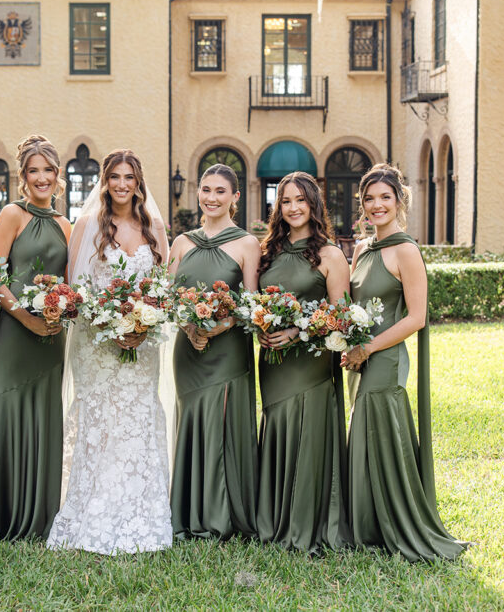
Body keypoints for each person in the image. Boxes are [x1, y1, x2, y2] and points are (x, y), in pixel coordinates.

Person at [46, 149, 173, 555]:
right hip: (97, 345)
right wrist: (109, 325)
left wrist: (141, 325)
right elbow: (75, 289)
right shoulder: (87, 225)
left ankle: (141, 511)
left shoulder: (154, 227)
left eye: (129, 177)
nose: (122, 184)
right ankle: (92, 509)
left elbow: (163, 289)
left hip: (142, 345)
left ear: (138, 182)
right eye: (115, 177)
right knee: (101, 423)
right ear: (105, 181)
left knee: (137, 418)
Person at [340, 163, 468, 562]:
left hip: (384, 358)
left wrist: (368, 349)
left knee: (382, 435)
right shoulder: (361, 250)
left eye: (385, 197)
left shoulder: (406, 251)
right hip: (359, 358)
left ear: (400, 201)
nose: (376, 205)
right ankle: (367, 523)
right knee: (365, 433)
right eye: (369, 199)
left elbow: (416, 318)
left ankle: (399, 524)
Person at [0, 135, 71, 541]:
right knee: (10, 411)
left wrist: (62, 310)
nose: (41, 177)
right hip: (15, 333)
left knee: (46, 416)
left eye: (48, 170)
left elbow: (70, 283)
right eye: (34, 170)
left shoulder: (66, 225)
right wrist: (26, 319)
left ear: (58, 175)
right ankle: (1, 515)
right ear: (23, 176)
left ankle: (42, 516)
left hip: (52, 336)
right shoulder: (12, 215)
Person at [255, 172, 352, 553]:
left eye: (300, 200)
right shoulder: (268, 252)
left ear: (314, 205)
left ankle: (306, 521)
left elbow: (341, 315)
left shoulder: (330, 255)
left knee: (307, 431)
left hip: (310, 362)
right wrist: (261, 327)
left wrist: (297, 331)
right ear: (277, 207)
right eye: (286, 201)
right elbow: (256, 302)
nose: (293, 208)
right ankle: (274, 517)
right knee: (278, 425)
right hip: (272, 361)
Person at [169, 163, 260, 540]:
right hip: (188, 351)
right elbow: (167, 298)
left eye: (220, 191)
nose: (211, 198)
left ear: (235, 197)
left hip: (228, 349)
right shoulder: (181, 242)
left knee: (220, 424)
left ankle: (221, 516)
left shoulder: (247, 243)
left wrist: (220, 325)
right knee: (193, 419)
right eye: (206, 190)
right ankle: (188, 511)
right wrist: (189, 327)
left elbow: (252, 303)